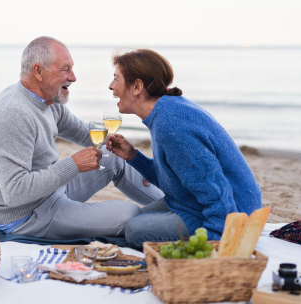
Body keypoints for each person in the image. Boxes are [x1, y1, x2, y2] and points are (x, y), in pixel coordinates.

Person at [0, 37, 163, 240]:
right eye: (65, 69)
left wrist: (136, 163)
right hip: (28, 216)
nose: (73, 77)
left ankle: (176, 207)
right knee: (130, 214)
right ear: (38, 71)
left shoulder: (47, 101)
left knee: (114, 155)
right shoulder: (14, 114)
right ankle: (168, 221)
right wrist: (74, 164)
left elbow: (84, 133)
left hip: (52, 193)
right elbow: (14, 193)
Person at [106, 49, 263, 248]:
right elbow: (175, 178)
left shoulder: (172, 123)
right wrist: (133, 156)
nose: (111, 86)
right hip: (192, 202)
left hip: (235, 213)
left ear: (137, 86)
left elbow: (216, 190)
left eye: (115, 79)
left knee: (135, 230)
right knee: (129, 221)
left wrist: (213, 244)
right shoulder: (164, 111)